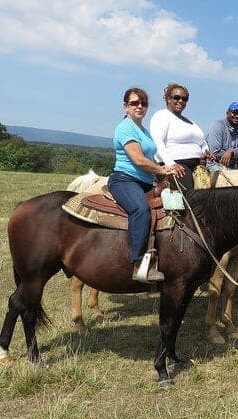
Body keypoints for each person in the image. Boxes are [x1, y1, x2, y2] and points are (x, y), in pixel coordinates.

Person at [108, 87, 173, 283]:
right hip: (125, 179)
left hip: (145, 182)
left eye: (143, 103)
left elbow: (150, 157)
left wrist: (162, 179)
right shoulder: (124, 128)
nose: (140, 106)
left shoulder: (144, 131)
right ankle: (138, 264)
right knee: (141, 210)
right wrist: (163, 170)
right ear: (125, 106)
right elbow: (138, 160)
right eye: (135, 103)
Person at [150, 82, 214, 190]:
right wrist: (171, 164)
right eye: (177, 97)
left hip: (198, 167)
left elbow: (202, 142)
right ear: (168, 99)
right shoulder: (162, 116)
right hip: (177, 166)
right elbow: (157, 142)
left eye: (184, 99)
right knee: (191, 197)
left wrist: (205, 151)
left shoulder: (191, 122)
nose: (181, 101)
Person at [206, 101, 238, 171]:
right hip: (215, 164)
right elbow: (215, 152)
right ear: (227, 113)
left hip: (233, 166)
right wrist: (237, 158)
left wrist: (231, 152)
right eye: (234, 112)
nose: (237, 116)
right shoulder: (217, 125)